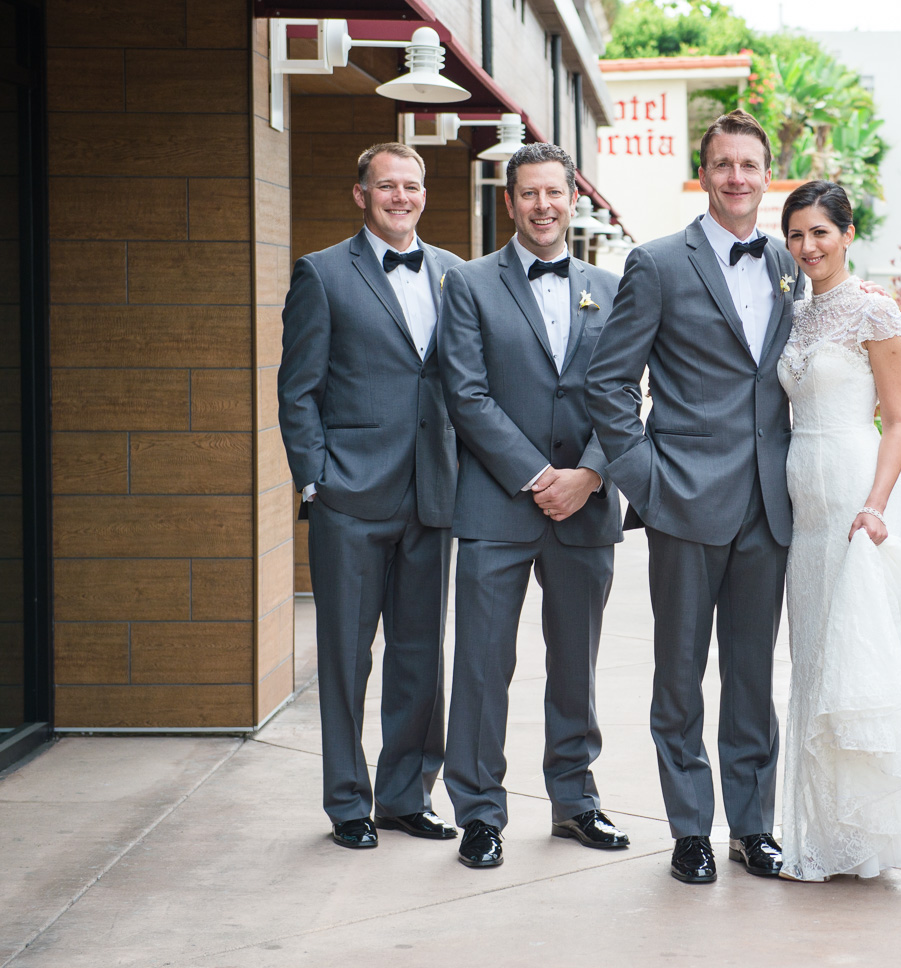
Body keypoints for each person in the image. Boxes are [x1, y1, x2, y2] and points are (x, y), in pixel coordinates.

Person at [586, 110, 798, 884]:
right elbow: (609, 384)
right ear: (702, 174)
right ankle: (688, 830)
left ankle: (752, 826)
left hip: (768, 505)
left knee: (752, 678)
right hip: (682, 500)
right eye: (724, 164)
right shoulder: (656, 263)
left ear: (766, 175)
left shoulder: (790, 263)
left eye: (750, 165)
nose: (737, 177)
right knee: (679, 677)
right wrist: (648, 481)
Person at [435, 142, 628, 870]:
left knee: (576, 664)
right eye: (528, 194)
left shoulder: (611, 288)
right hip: (496, 505)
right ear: (509, 201)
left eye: (554, 193)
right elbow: (466, 394)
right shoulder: (469, 284)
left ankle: (576, 803)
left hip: (586, 506)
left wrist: (590, 475)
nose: (542, 206)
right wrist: (539, 475)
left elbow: (627, 393)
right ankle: (480, 814)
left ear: (573, 198)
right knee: (483, 667)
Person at [774, 181, 901, 882]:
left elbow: (899, 422)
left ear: (848, 234)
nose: (807, 246)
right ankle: (822, 838)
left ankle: (869, 837)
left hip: (856, 497)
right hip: (803, 509)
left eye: (820, 232)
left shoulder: (875, 310)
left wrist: (877, 506)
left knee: (854, 665)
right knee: (814, 664)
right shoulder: (793, 313)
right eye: (796, 234)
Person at [278, 142, 461, 850]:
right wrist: (317, 479)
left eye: (411, 186)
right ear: (362, 195)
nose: (400, 197)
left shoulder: (453, 274)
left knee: (420, 657)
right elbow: (298, 390)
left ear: (425, 194)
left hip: (432, 496)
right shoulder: (322, 273)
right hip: (349, 499)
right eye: (387, 186)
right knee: (346, 659)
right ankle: (348, 802)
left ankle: (406, 796)